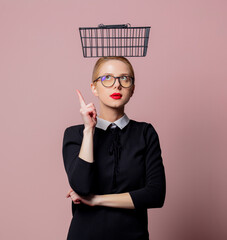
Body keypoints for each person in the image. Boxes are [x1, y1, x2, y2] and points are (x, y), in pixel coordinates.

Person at [62, 56, 166, 240]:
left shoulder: (145, 133)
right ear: (94, 87)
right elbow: (81, 186)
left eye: (124, 79)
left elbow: (155, 195)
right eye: (107, 78)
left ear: (132, 89)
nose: (117, 85)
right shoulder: (75, 134)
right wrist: (88, 131)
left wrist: (97, 200)